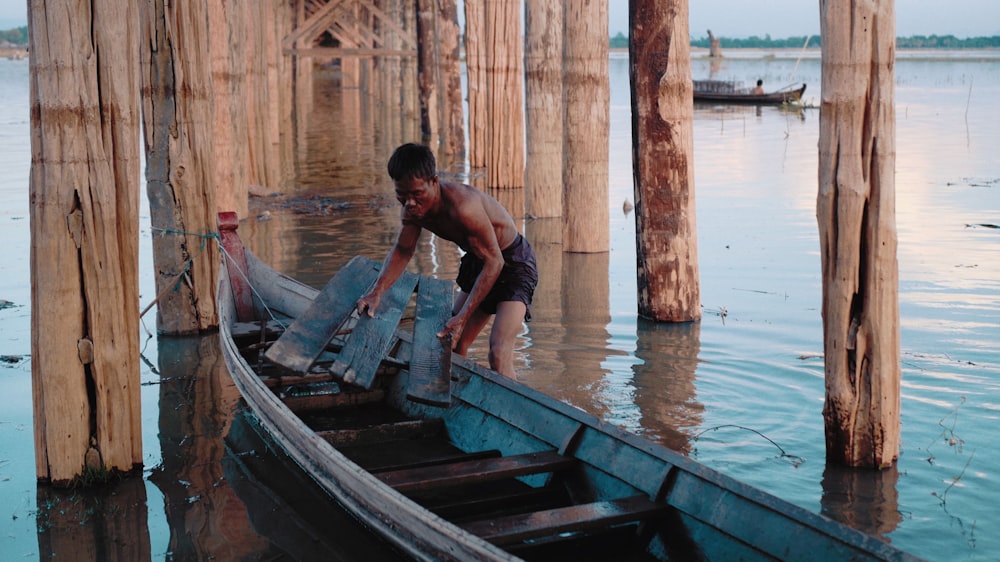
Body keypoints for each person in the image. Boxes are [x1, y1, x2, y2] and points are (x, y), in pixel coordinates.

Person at [356, 143, 538, 378]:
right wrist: (377, 291)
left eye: (416, 194)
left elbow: (496, 262)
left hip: (512, 264)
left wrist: (462, 317)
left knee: (498, 353)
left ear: (434, 181)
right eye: (402, 195)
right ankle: (453, 397)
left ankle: (516, 410)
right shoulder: (412, 211)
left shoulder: (464, 207)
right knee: (454, 344)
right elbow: (403, 251)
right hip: (478, 261)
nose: (409, 203)